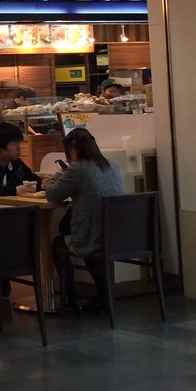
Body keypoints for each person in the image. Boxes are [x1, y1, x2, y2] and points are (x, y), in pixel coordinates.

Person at [47, 127, 124, 315]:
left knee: (58, 244)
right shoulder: (112, 165)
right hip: (116, 235)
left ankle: (70, 299)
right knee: (88, 243)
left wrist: (54, 177)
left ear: (73, 150)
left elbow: (53, 195)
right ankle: (104, 296)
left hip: (92, 235)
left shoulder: (78, 168)